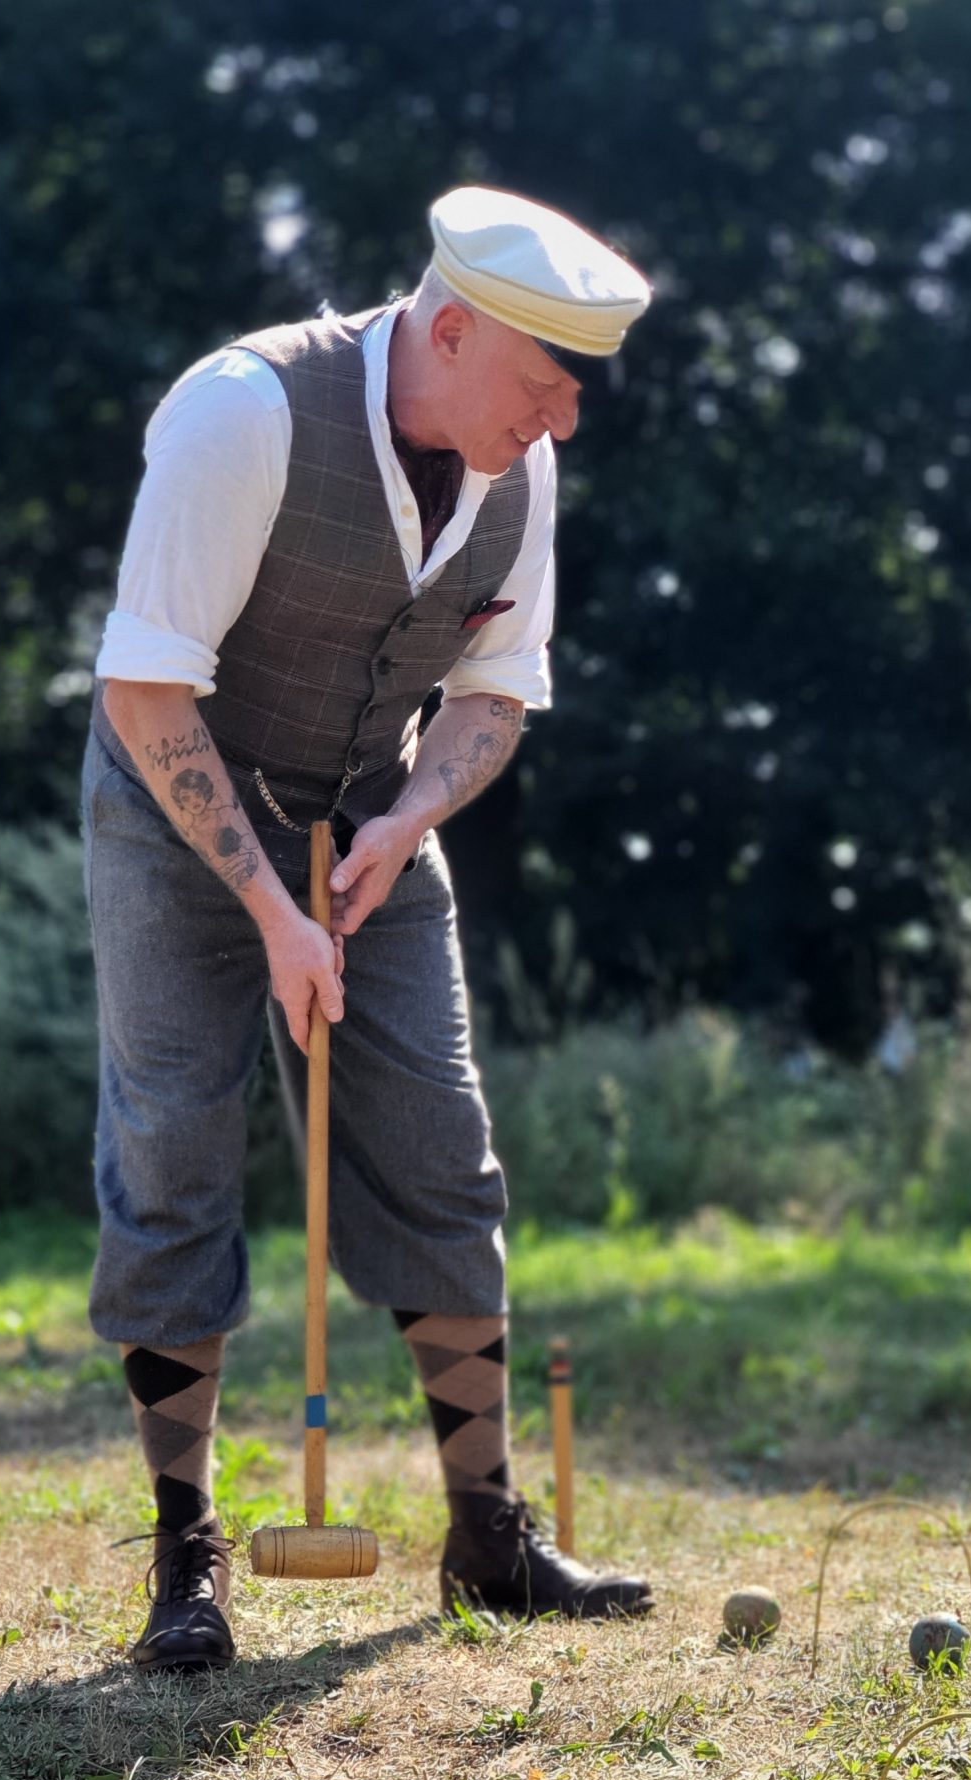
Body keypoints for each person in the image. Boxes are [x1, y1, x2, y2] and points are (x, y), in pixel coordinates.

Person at [87, 186, 658, 1672]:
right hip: (178, 809)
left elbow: (494, 693)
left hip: (371, 820)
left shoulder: (516, 474)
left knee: (438, 1142)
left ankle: (488, 1537)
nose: (562, 423)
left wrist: (411, 824)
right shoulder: (243, 413)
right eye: (543, 385)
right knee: (174, 1151)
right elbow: (144, 692)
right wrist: (270, 909)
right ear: (449, 330)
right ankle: (185, 1556)